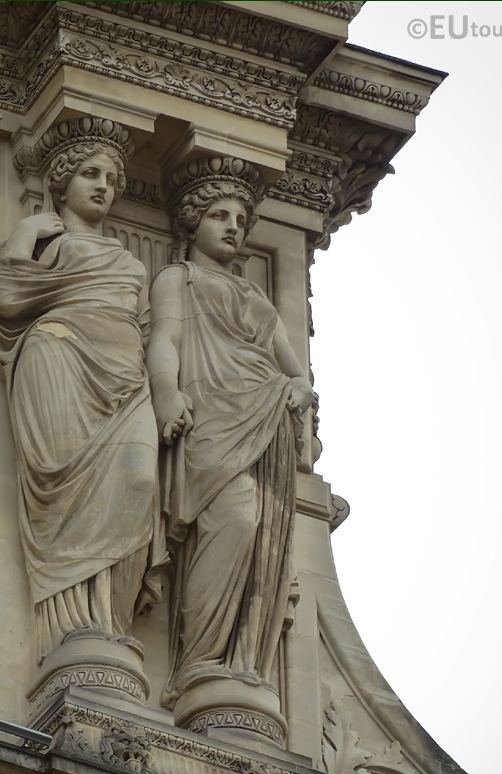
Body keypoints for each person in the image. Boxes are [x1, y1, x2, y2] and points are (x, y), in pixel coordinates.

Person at [147, 161, 316, 708]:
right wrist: (166, 392)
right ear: (193, 222)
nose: (232, 227)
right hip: (209, 420)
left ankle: (234, 659)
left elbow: (295, 369)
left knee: (257, 532)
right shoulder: (178, 279)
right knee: (232, 522)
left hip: (260, 417)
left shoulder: (258, 301)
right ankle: (197, 659)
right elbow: (165, 339)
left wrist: (298, 389)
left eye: (240, 219)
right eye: (219, 215)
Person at [0, 134, 160, 663]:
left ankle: (110, 618)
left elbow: (154, 335)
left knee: (139, 478)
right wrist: (23, 234)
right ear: (61, 184)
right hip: (59, 360)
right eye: (91, 175)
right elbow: (6, 294)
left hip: (127, 380)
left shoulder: (132, 264)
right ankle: (75, 628)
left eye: (111, 179)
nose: (103, 186)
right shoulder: (47, 242)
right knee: (64, 490)